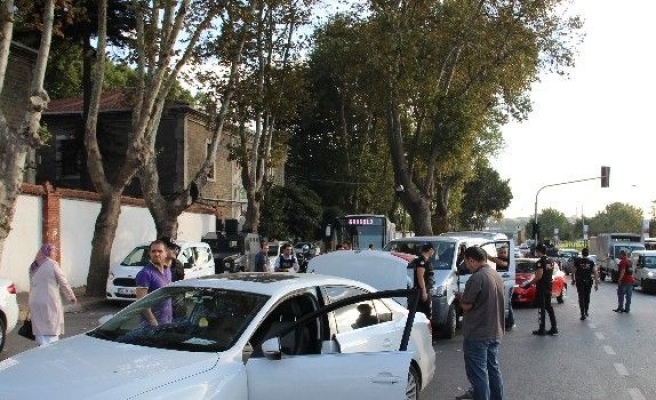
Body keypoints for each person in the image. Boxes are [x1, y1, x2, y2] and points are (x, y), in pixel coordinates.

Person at [454, 246, 504, 400]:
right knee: (493, 370)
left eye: (466, 262)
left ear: (471, 260)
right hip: (494, 331)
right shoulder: (495, 274)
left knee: (478, 374)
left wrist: (460, 297)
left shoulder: (477, 277)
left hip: (478, 333)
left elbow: (467, 305)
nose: (466, 266)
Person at [28, 243, 78, 346]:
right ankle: (51, 350)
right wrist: (71, 297)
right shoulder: (53, 264)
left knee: (39, 326)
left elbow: (32, 284)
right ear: (48, 252)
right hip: (49, 300)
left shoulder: (33, 266)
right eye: (53, 251)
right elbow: (63, 282)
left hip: (35, 301)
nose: (55, 253)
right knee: (52, 326)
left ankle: (41, 346)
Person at [523, 243, 558, 336]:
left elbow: (539, 276)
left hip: (542, 287)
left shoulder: (539, 262)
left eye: (536, 251)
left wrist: (529, 284)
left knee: (541, 308)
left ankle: (542, 329)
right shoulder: (551, 261)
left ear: (538, 251)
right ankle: (554, 327)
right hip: (548, 286)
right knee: (549, 307)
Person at [135, 240, 172, 326]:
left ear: (166, 253)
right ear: (150, 253)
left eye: (160, 251)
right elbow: (141, 302)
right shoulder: (145, 273)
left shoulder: (168, 271)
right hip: (150, 327)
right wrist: (154, 323)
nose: (156, 254)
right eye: (153, 251)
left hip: (167, 322)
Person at [409, 243, 435, 320]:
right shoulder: (422, 261)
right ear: (430, 250)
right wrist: (423, 292)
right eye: (433, 251)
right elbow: (420, 276)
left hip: (427, 290)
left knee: (427, 313)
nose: (433, 253)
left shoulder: (426, 260)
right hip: (422, 291)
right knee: (425, 314)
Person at [571, 247, 599, 320]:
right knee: (587, 296)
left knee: (581, 297)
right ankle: (586, 311)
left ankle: (582, 313)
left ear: (582, 254)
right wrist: (596, 284)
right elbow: (595, 273)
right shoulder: (591, 262)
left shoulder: (578, 261)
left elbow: (573, 271)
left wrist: (573, 279)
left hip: (579, 281)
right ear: (588, 254)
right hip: (588, 281)